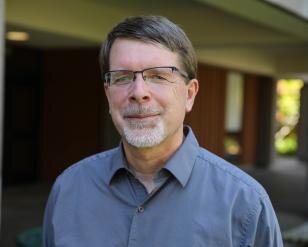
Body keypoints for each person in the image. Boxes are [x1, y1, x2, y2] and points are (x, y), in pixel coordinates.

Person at [42, 15, 283, 246]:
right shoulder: (69, 189)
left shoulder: (245, 202)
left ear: (189, 95)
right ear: (108, 94)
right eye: (123, 77)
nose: (138, 92)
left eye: (157, 76)